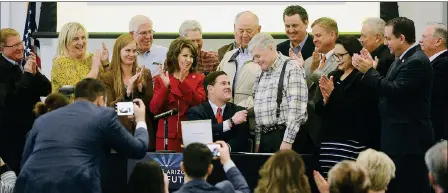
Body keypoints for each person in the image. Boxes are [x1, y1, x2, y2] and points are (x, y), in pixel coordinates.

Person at [14, 78, 149, 193]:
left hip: (30, 183)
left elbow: (25, 160)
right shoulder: (104, 114)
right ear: (101, 99)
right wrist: (141, 120)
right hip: (75, 182)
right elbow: (138, 149)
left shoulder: (42, 120)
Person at [353, 17, 434, 193]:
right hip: (396, 138)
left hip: (408, 142)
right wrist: (371, 72)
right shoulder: (401, 58)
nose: (386, 43)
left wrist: (369, 72)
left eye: (389, 38)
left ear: (402, 38)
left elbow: (396, 91)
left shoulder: (416, 61)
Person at [315, 35, 380, 177]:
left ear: (353, 54)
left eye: (341, 55)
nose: (337, 59)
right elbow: (319, 109)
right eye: (335, 55)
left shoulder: (362, 78)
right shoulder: (334, 76)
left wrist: (333, 95)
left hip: (351, 142)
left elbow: (356, 109)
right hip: (329, 142)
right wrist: (326, 99)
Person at [0, 28, 51, 174]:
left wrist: (35, 74)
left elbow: (46, 89)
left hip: (32, 130)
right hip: (12, 138)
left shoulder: (24, 63)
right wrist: (27, 76)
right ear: (1, 49)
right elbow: (10, 103)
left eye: (20, 43)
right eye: (14, 45)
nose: (20, 47)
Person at [250, 33, 308, 153]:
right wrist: (258, 143)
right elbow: (258, 111)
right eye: (254, 58)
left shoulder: (292, 68)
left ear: (270, 48)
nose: (256, 61)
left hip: (284, 138)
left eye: (258, 56)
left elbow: (297, 110)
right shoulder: (260, 74)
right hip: (265, 140)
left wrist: (287, 141)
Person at [149, 37, 206, 152]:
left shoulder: (199, 78)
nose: (189, 60)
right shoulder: (162, 79)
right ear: (175, 56)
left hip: (191, 136)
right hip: (166, 136)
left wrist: (183, 82)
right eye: (185, 56)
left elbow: (199, 103)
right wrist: (165, 87)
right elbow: (154, 109)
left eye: (191, 57)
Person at [293, 17, 339, 155]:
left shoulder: (341, 60)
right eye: (314, 36)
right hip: (303, 130)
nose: (314, 40)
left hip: (326, 129)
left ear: (332, 35)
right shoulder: (308, 61)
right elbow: (302, 89)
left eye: (318, 35)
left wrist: (314, 71)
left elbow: (331, 86)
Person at [98, 34, 154, 145]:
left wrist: (140, 88)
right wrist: (127, 92)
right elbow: (108, 108)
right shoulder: (107, 78)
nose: (131, 54)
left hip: (141, 134)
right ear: (118, 52)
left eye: (134, 51)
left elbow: (150, 107)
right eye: (127, 50)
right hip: (117, 136)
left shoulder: (145, 73)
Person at [188, 71, 250, 152]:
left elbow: (242, 139)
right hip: (205, 160)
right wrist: (230, 122)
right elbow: (201, 134)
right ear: (210, 89)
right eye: (223, 83)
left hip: (233, 160)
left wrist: (223, 149)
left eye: (228, 83)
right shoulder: (196, 112)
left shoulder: (239, 111)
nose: (228, 86)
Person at [51, 22, 108, 93]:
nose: (81, 42)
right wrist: (94, 68)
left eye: (83, 38)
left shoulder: (91, 58)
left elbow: (108, 83)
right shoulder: (60, 63)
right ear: (65, 41)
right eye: (75, 39)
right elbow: (78, 91)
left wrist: (105, 63)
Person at [174, 141, 250, 193]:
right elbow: (244, 190)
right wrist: (227, 161)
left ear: (182, 167)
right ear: (210, 169)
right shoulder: (223, 190)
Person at [419, 23, 448, 141]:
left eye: (424, 37)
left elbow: (431, 94)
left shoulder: (443, 63)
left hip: (438, 130)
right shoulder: (434, 62)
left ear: (438, 41)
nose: (420, 40)